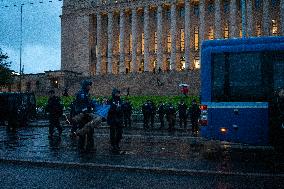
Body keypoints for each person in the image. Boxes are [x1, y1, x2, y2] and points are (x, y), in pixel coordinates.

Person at [107, 88, 124, 153]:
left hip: (119, 119)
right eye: (117, 93)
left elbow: (122, 109)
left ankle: (117, 143)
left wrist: (122, 108)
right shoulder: (110, 101)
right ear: (114, 93)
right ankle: (113, 145)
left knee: (120, 133)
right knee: (113, 134)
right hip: (113, 119)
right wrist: (114, 109)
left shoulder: (120, 101)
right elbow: (108, 110)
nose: (118, 94)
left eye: (119, 93)